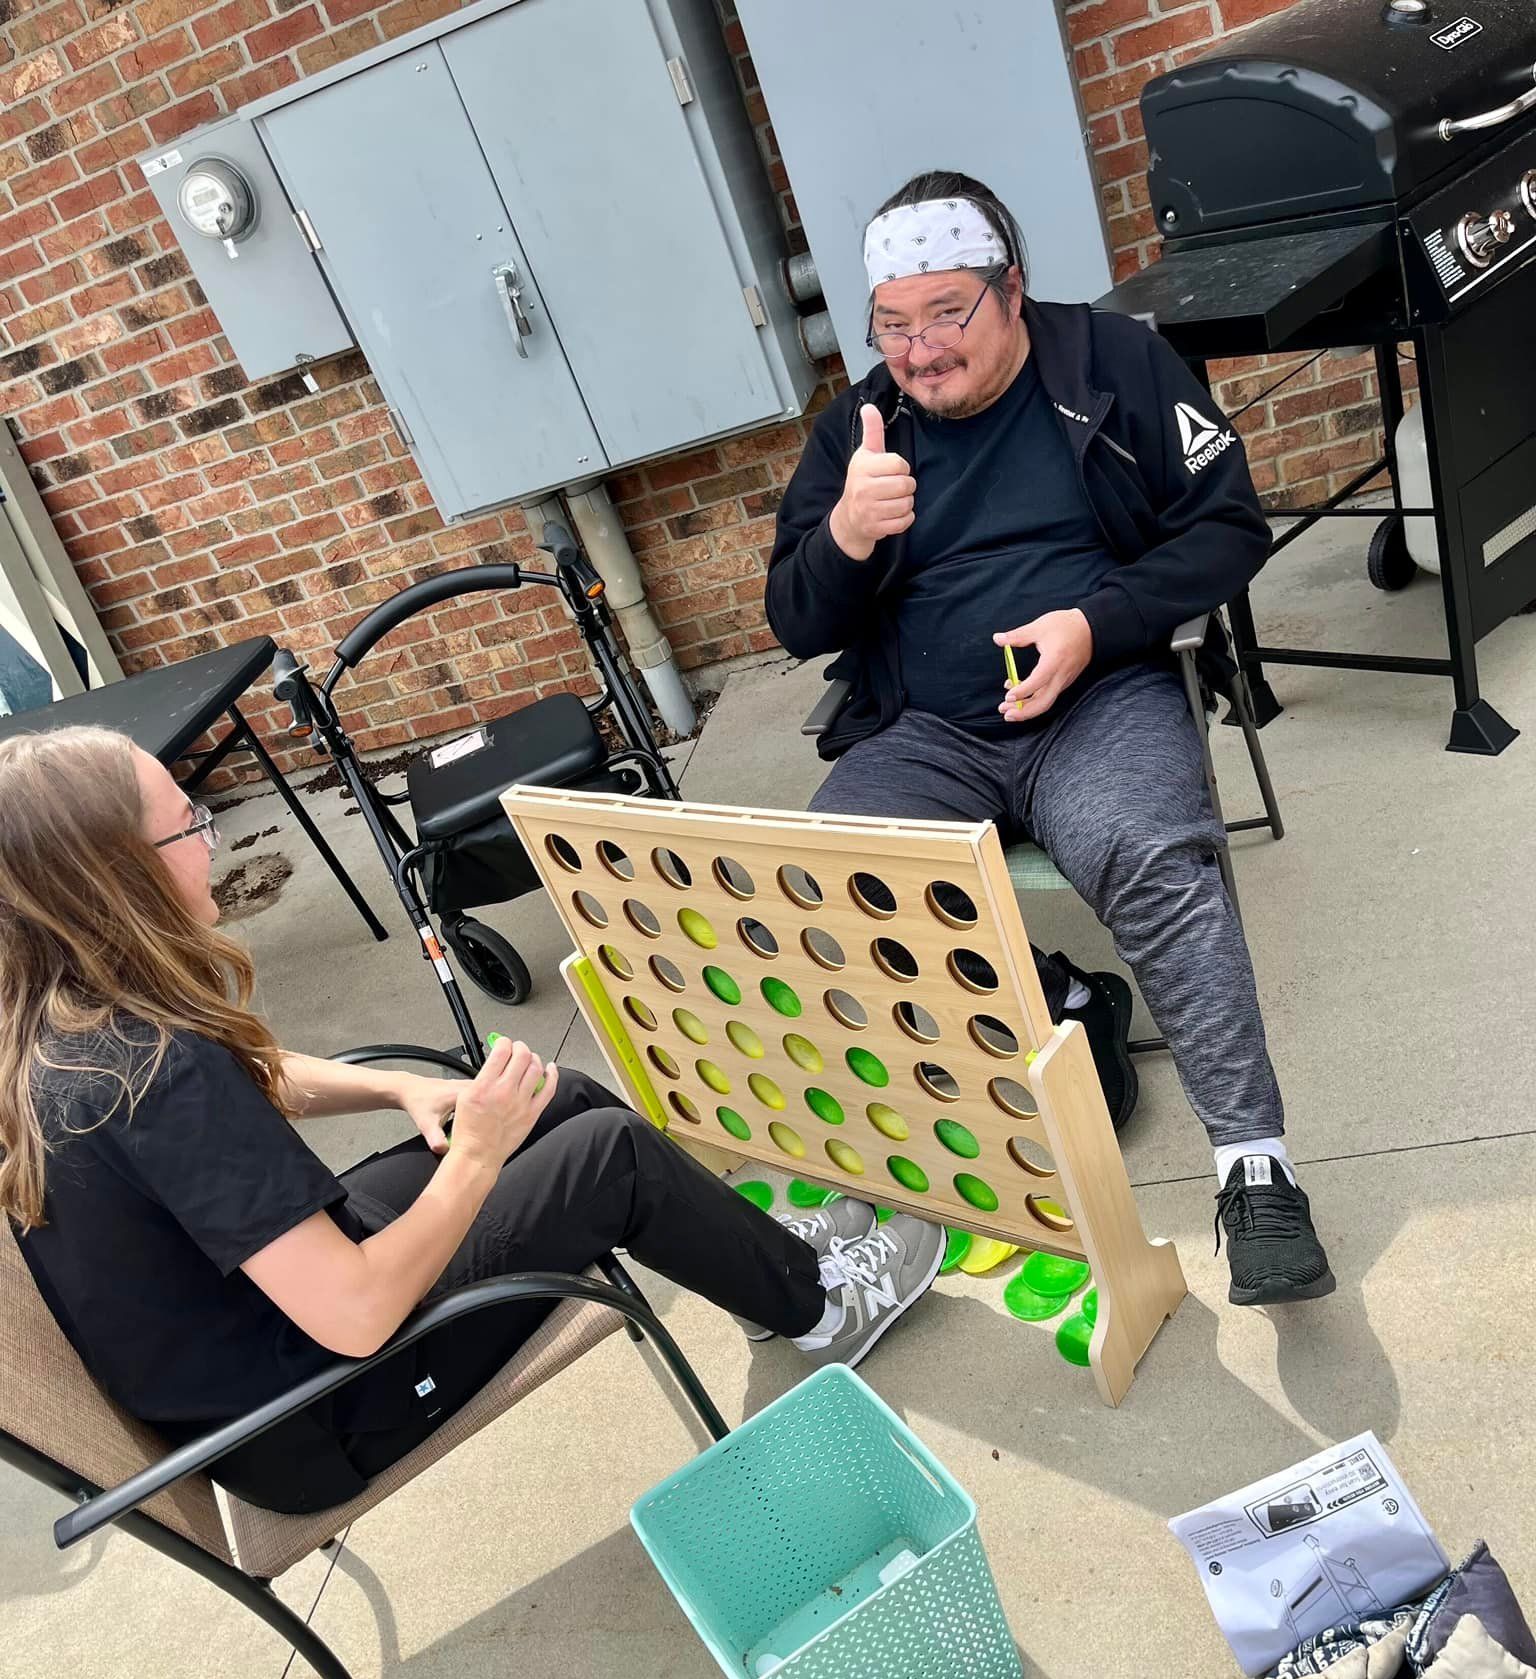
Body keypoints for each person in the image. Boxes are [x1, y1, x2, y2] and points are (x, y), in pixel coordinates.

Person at [0, 729, 944, 1517]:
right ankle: (825, 1312)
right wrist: (477, 1155)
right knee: (606, 1156)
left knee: (559, 1099)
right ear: (119, 874)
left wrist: (400, 1091)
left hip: (261, 1334)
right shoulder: (155, 1070)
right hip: (320, 1406)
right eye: (190, 827)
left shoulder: (67, 1021)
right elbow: (360, 1315)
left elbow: (253, 1084)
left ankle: (771, 1272)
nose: (213, 844)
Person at [766, 168, 1333, 1308]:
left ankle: (1254, 1169)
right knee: (837, 879)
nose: (917, 353)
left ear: (1011, 290)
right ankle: (1055, 1007)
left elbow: (1231, 524)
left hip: (1100, 698)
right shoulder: (861, 428)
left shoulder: (1114, 367)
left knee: (1148, 849)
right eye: (892, 324)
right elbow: (795, 616)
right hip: (929, 730)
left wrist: (1095, 622)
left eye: (945, 315)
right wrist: (841, 536)